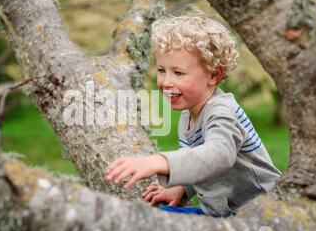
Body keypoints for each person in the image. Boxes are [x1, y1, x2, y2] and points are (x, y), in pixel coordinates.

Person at [105, 11, 281, 217]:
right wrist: (183, 188)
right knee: (152, 217)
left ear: (213, 75)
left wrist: (159, 162)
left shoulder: (221, 112)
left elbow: (217, 156)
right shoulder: (188, 115)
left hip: (263, 215)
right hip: (223, 214)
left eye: (178, 73)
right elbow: (202, 164)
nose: (166, 82)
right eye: (162, 70)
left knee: (153, 223)